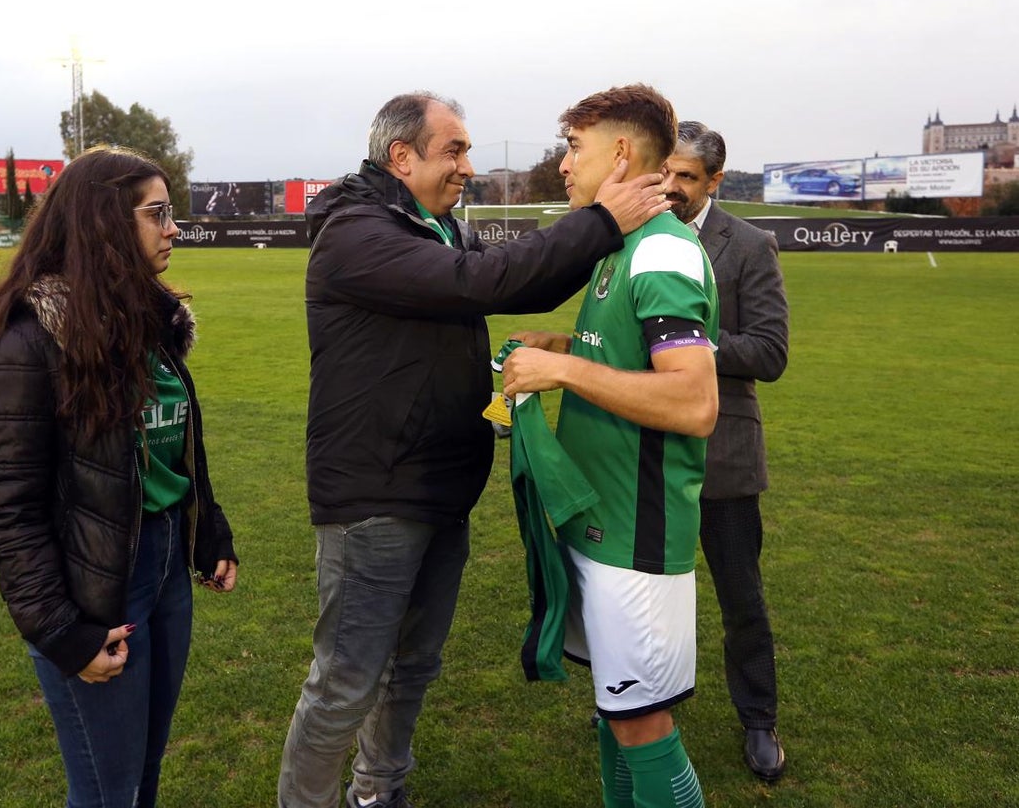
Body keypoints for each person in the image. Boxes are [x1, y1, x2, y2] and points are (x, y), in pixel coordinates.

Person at [279, 90, 672, 808]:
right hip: (375, 495)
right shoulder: (355, 231)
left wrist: (608, 227)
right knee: (345, 683)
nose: (468, 165)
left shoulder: (434, 225)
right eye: (454, 149)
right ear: (402, 156)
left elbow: (523, 277)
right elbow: (478, 281)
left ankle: (378, 792)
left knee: (413, 667)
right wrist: (599, 221)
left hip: (439, 488)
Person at [0, 145, 239, 808]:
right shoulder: (33, 339)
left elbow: (173, 450)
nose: (174, 228)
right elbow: (11, 507)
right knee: (110, 790)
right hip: (95, 585)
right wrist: (63, 632)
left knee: (145, 770)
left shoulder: (150, 322)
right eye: (157, 213)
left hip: (164, 565)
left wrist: (209, 530)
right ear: (103, 221)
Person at [501, 84, 719, 808]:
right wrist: (564, 345)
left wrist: (562, 371)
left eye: (574, 147)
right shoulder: (620, 246)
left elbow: (694, 401)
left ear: (621, 152)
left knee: (641, 722)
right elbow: (630, 358)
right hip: (602, 523)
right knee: (617, 712)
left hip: (637, 535)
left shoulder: (663, 251)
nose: (564, 164)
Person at [663, 121, 789, 782]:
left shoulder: (748, 245)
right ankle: (640, 706)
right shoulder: (638, 235)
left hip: (724, 455)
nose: (672, 186)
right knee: (650, 594)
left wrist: (693, 348)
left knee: (741, 599)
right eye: (666, 172)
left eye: (686, 176)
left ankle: (759, 718)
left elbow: (770, 351)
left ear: (714, 180)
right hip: (646, 452)